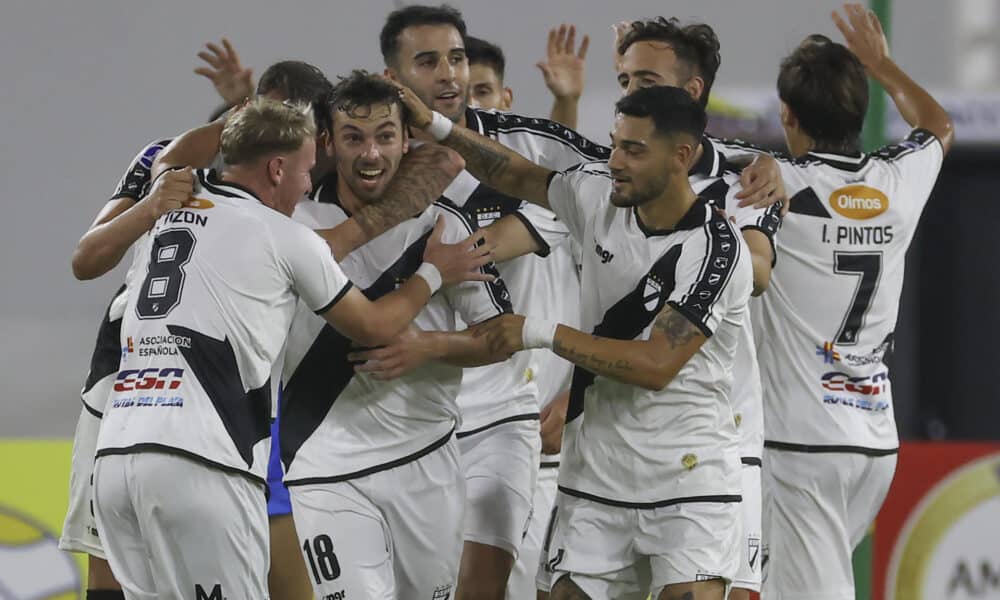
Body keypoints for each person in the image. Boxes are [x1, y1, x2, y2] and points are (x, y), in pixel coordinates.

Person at [91, 97, 491, 599]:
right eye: (305, 170)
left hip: (115, 459)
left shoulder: (173, 199)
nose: (307, 185)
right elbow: (372, 325)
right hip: (203, 460)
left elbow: (95, 247)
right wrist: (434, 273)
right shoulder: (287, 236)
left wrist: (239, 117)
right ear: (277, 168)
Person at [399, 82, 754, 599]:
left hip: (688, 483)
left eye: (634, 150)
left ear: (682, 156)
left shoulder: (715, 251)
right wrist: (435, 125)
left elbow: (657, 364)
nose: (615, 161)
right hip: (594, 480)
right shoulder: (596, 195)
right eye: (614, 144)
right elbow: (516, 172)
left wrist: (536, 332)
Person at [378, 6, 611, 599]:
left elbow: (629, 173)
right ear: (393, 75)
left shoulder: (528, 144)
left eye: (456, 58)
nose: (449, 74)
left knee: (486, 584)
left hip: (508, 409)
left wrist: (753, 162)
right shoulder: (370, 155)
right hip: (400, 415)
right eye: (427, 61)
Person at [276, 71, 511, 600]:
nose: (371, 154)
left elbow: (502, 337)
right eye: (354, 137)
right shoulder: (291, 225)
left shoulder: (446, 225)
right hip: (322, 463)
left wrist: (427, 347)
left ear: (407, 141)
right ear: (328, 143)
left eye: (385, 136)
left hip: (425, 461)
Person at [754, 5, 953, 599]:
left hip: (802, 441)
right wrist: (884, 65)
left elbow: (684, 161)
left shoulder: (772, 184)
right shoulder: (896, 182)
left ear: (787, 117)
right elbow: (939, 126)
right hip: (872, 442)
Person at [611, 17, 786, 598]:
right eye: (624, 78)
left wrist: (709, 242)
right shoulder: (613, 173)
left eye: (645, 78)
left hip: (719, 438)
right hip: (616, 440)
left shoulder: (744, 181)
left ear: (689, 92)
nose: (628, 91)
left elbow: (757, 273)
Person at [60, 138, 176, 600]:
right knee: (107, 562)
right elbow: (86, 259)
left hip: (224, 394)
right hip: (120, 375)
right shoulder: (162, 158)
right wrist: (152, 204)